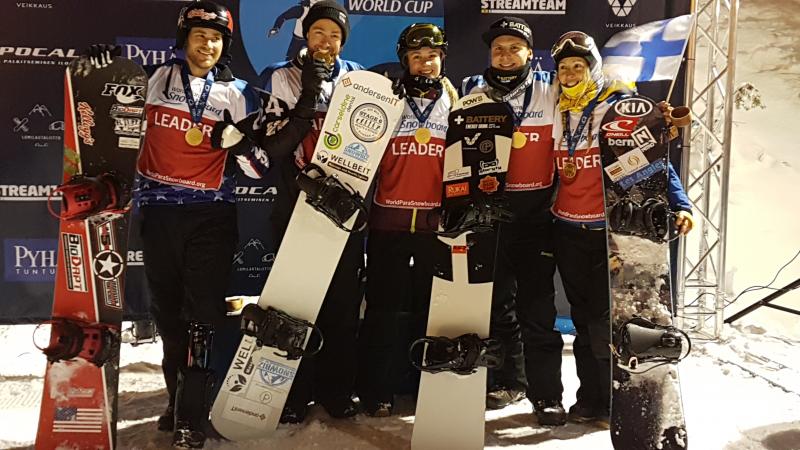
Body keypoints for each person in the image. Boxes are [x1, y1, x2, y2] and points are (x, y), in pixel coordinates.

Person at [549, 30, 694, 425]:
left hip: (607, 230)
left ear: (594, 68)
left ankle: (614, 396)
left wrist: (680, 202)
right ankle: (589, 397)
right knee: (581, 319)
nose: (571, 73)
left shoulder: (616, 108)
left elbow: (652, 164)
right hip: (566, 227)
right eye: (564, 68)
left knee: (606, 319)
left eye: (579, 66)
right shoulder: (554, 107)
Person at [259, 0, 363, 423]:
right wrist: (307, 96)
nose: (327, 42)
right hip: (295, 202)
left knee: (341, 303)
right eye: (319, 32)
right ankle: (292, 393)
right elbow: (275, 147)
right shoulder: (281, 77)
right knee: (296, 304)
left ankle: (337, 391)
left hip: (343, 205)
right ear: (305, 35)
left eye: (335, 35)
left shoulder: (359, 79)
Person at [461, 17, 565, 425]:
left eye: (514, 48)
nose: (505, 56)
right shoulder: (472, 90)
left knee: (537, 310)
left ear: (529, 52)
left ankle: (547, 396)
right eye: (498, 49)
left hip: (535, 215)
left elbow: (596, 99)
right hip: (489, 214)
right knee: (495, 306)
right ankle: (507, 381)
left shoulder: (551, 89)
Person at [355, 23, 458, 417]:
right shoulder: (388, 98)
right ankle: (377, 388)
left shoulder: (454, 100)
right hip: (389, 221)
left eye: (432, 56)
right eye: (417, 57)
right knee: (383, 309)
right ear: (405, 62)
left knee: (429, 310)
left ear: (442, 58)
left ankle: (421, 385)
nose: (425, 63)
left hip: (434, 225)